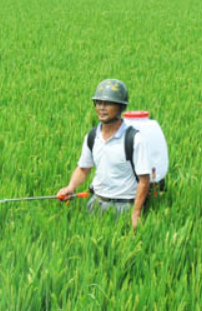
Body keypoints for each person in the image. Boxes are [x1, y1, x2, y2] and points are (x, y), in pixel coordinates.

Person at [57, 79, 151, 229]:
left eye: (107, 103)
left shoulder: (134, 139)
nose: (101, 108)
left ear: (121, 107)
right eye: (98, 103)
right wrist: (71, 187)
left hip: (124, 206)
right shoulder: (93, 136)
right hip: (95, 203)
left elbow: (144, 180)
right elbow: (83, 168)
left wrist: (136, 213)